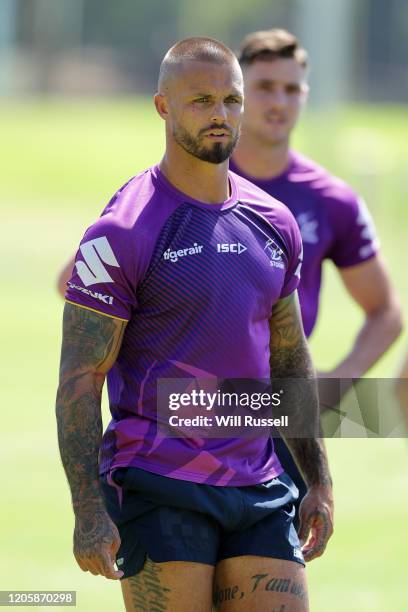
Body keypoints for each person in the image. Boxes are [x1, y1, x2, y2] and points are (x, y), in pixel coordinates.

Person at [56, 37, 333, 612]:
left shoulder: (274, 222)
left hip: (259, 485)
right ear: (163, 106)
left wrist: (317, 480)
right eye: (201, 100)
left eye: (231, 100)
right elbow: (80, 381)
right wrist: (88, 509)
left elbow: (289, 358)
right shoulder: (121, 232)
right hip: (160, 484)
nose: (220, 115)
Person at [229, 28, 403, 512]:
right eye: (264, 87)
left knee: (275, 576)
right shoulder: (189, 183)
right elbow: (88, 282)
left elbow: (385, 311)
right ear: (237, 94)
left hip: (285, 411)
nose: (279, 101)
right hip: (192, 410)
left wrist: (340, 381)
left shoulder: (332, 199)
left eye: (292, 89)